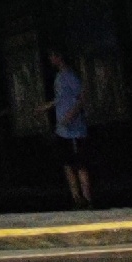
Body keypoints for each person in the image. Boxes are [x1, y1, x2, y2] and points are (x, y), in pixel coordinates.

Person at [48, 47, 93, 204]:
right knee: (67, 164)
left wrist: (71, 115)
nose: (50, 59)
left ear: (59, 57)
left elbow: (82, 97)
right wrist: (46, 107)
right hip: (63, 129)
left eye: (52, 56)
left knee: (80, 164)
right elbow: (60, 99)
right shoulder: (59, 77)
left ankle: (87, 198)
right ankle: (76, 198)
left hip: (75, 129)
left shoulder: (69, 76)